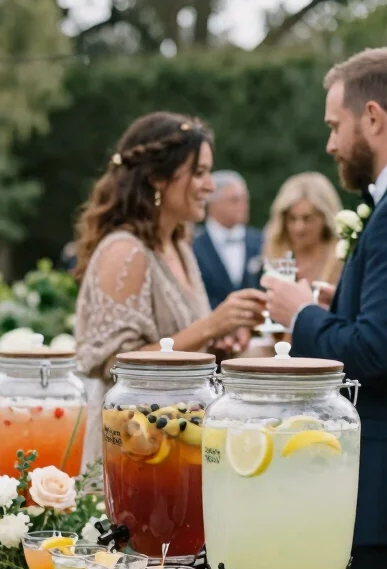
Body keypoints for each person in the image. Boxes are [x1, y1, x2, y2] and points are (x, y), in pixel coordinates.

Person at [263, 46, 387, 569]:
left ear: (372, 117)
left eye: (334, 125)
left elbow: (380, 352)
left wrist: (298, 313)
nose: (329, 144)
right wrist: (334, 303)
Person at [75, 112, 266, 463]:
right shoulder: (125, 252)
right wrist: (211, 325)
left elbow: (177, 347)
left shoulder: (179, 246)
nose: (210, 186)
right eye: (199, 173)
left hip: (178, 444)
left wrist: (216, 345)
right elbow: (114, 364)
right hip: (133, 451)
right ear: (157, 178)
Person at [193, 170, 263, 310]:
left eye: (245, 199)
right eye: (235, 200)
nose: (243, 206)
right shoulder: (193, 245)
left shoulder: (261, 241)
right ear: (213, 204)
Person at [264, 172, 343, 287]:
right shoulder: (273, 256)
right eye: (292, 218)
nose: (299, 228)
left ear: (325, 218)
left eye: (307, 219)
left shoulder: (341, 259)